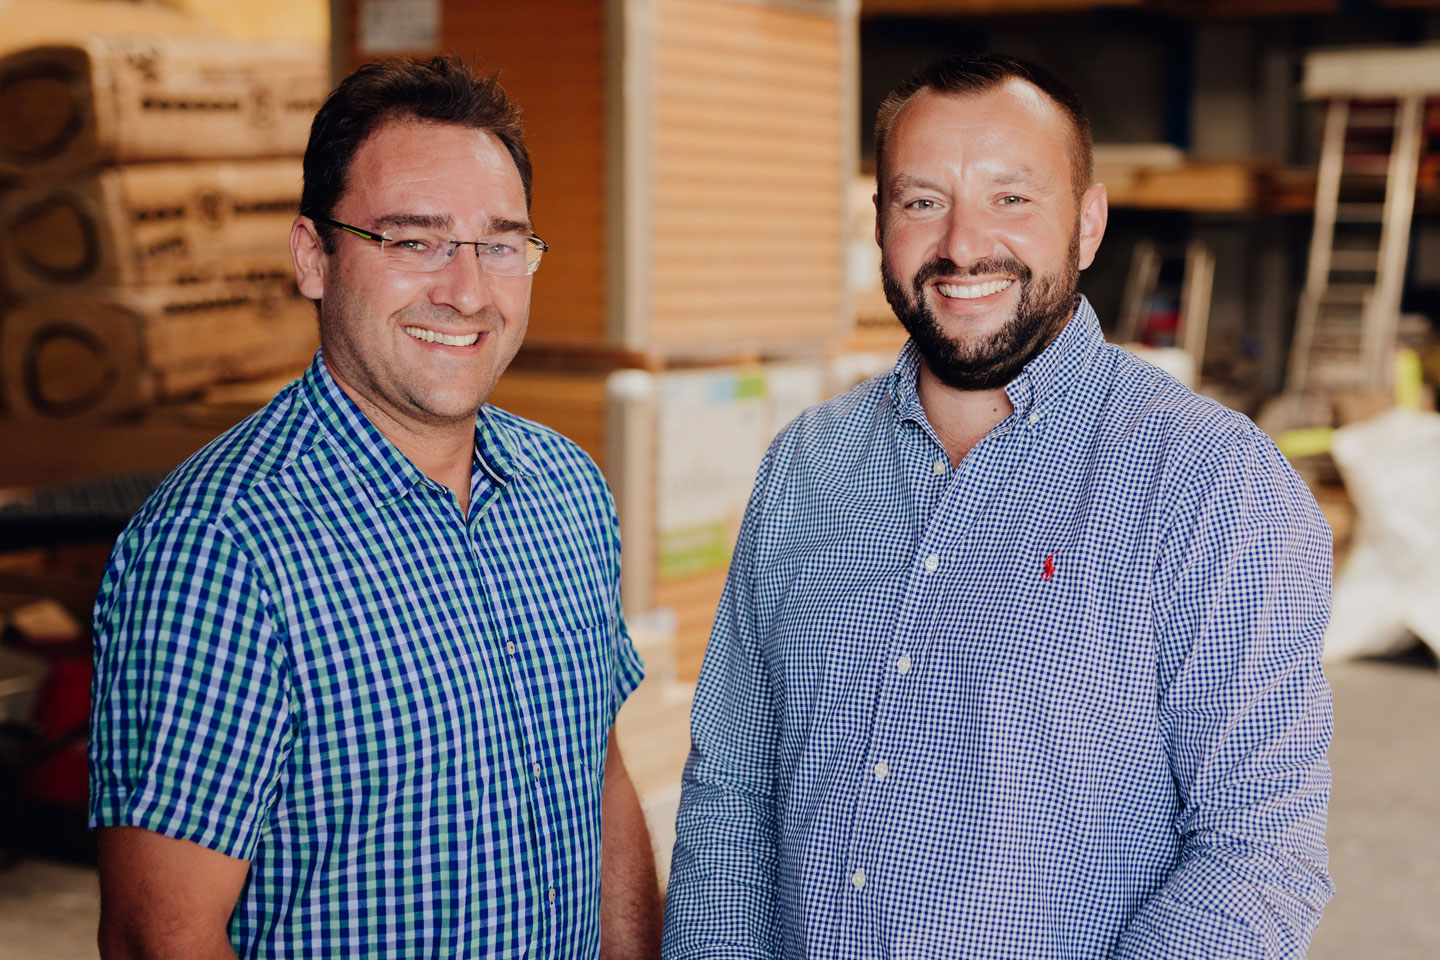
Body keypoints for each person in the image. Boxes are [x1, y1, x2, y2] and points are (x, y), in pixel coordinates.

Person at [663, 52, 1333, 960]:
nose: (963, 245)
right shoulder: (806, 468)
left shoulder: (1213, 487)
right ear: (881, 226)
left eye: (1012, 199)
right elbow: (732, 792)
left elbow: (1258, 853)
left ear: (1088, 224)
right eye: (922, 200)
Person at [89, 56, 661, 959]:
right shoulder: (218, 550)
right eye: (413, 240)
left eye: (500, 243)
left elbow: (599, 779)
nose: (466, 291)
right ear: (314, 257)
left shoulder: (567, 491)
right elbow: (159, 937)